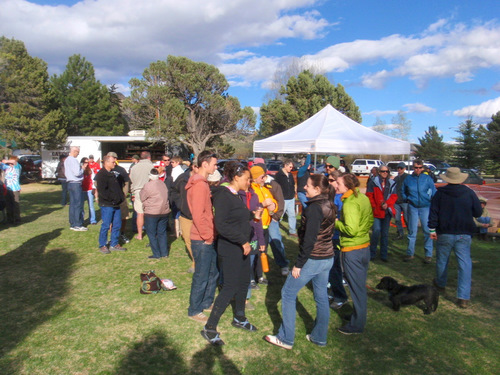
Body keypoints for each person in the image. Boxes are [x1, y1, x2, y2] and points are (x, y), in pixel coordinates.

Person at [264, 174, 335, 349]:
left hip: (315, 258)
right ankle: (319, 337)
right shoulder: (330, 204)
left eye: (308, 186)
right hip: (327, 258)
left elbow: (309, 240)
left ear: (318, 190)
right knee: (321, 297)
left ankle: (286, 338)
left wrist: (298, 264)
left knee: (288, 293)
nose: (304, 188)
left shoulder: (314, 208)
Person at [201, 162, 257, 346]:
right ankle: (209, 328)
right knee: (230, 286)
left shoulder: (235, 195)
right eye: (247, 179)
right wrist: (242, 241)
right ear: (236, 177)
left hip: (242, 247)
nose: (249, 182)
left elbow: (236, 216)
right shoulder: (224, 196)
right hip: (231, 248)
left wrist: (251, 215)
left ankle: (239, 317)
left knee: (243, 283)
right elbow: (222, 224)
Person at [428, 167, 482, 309]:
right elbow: (478, 212)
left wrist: (432, 229)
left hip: (445, 232)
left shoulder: (440, 194)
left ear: (447, 179)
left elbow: (433, 212)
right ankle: (463, 297)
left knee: (442, 260)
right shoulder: (469, 193)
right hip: (464, 233)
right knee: (464, 264)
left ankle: (440, 284)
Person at [335, 173, 373, 334]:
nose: (335, 185)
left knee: (357, 290)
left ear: (347, 186)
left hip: (353, 250)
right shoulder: (363, 198)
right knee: (359, 287)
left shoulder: (349, 203)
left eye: (337, 183)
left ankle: (357, 325)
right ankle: (358, 316)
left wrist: (336, 223)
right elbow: (369, 220)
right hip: (364, 247)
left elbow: (351, 229)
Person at [186, 151, 219, 323]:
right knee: (202, 275)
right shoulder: (199, 185)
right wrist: (207, 235)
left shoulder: (203, 183)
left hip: (207, 237)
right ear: (204, 164)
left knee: (213, 272)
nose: (216, 167)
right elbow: (198, 215)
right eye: (214, 164)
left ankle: (206, 302)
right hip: (201, 238)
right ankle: (194, 310)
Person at [402, 159, 436, 263]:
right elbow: (403, 190)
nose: (418, 169)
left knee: (427, 230)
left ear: (423, 168)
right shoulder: (408, 179)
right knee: (412, 231)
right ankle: (410, 253)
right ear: (413, 168)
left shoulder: (427, 178)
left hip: (425, 207)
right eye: (416, 167)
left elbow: (434, 191)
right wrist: (406, 198)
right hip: (413, 207)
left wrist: (431, 200)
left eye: (420, 167)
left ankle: (428, 255)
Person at [94, 155, 127, 254]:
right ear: (106, 162)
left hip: (116, 204)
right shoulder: (101, 175)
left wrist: (120, 198)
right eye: (113, 162)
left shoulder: (113, 174)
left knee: (117, 224)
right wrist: (112, 199)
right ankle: (103, 245)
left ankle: (114, 243)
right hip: (107, 204)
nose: (115, 164)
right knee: (106, 225)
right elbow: (102, 191)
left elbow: (117, 188)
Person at [327, 171, 348, 310]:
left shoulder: (342, 199)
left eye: (332, 180)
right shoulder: (331, 195)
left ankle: (340, 296)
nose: (329, 182)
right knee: (328, 266)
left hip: (336, 237)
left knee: (334, 267)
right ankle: (332, 290)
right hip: (328, 235)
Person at [366, 165, 397, 261]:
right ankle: (372, 253)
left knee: (385, 234)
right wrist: (375, 206)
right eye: (383, 171)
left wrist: (387, 204)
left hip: (386, 212)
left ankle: (384, 254)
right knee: (376, 231)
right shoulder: (373, 182)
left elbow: (394, 196)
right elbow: (369, 196)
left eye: (387, 171)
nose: (385, 173)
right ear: (379, 172)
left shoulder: (391, 183)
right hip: (376, 212)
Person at [140, 168, 171, 259]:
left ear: (150, 176)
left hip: (152, 213)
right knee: (162, 232)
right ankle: (164, 253)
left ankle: (156, 254)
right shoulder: (163, 184)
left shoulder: (147, 186)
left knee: (152, 233)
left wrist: (145, 204)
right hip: (164, 211)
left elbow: (142, 197)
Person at [107, 152, 131, 244]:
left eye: (113, 158)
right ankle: (112, 236)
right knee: (110, 218)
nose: (112, 160)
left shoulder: (121, 170)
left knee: (123, 217)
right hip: (109, 198)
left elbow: (127, 182)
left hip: (120, 198)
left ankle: (122, 233)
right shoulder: (105, 170)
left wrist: (124, 194)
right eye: (109, 158)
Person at [130, 151, 154, 240]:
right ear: (149, 158)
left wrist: (132, 192)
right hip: (149, 191)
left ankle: (140, 234)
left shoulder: (134, 167)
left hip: (138, 191)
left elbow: (131, 181)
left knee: (140, 213)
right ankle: (151, 232)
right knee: (150, 213)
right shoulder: (151, 167)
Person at [64, 146, 87, 231]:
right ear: (74, 151)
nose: (78, 154)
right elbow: (77, 173)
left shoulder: (66, 160)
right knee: (78, 204)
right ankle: (78, 224)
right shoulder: (73, 160)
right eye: (78, 152)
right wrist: (82, 169)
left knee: (72, 204)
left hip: (70, 183)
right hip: (76, 183)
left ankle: (73, 223)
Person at [274, 159, 297, 236]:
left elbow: (293, 184)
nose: (291, 169)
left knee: (292, 215)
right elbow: (275, 187)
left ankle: (292, 231)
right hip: (283, 199)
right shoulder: (278, 175)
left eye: (292, 167)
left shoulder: (290, 175)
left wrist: (294, 192)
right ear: (285, 166)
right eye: (290, 167)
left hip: (291, 198)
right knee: (279, 216)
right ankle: (274, 230)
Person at [0, 155, 22, 224]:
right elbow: (1, 164)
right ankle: (10, 219)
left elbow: (14, 161)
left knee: (15, 204)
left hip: (15, 188)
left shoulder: (17, 167)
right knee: (8, 204)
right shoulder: (7, 168)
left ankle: (17, 219)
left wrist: (6, 161)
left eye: (10, 161)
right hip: (7, 188)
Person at [393, 162, 409, 240]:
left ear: (404, 169)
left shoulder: (407, 177)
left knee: (407, 219)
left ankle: (411, 233)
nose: (399, 169)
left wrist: (407, 198)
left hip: (405, 201)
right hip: (396, 202)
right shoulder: (396, 178)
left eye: (401, 168)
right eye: (398, 168)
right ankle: (400, 233)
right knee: (397, 219)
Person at [80, 157, 97, 225]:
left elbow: (93, 179)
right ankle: (81, 220)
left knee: (91, 206)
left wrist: (93, 188)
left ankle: (92, 220)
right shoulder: (80, 169)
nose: (86, 164)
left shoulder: (90, 170)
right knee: (81, 206)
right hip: (82, 189)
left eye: (87, 162)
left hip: (89, 189)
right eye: (85, 162)